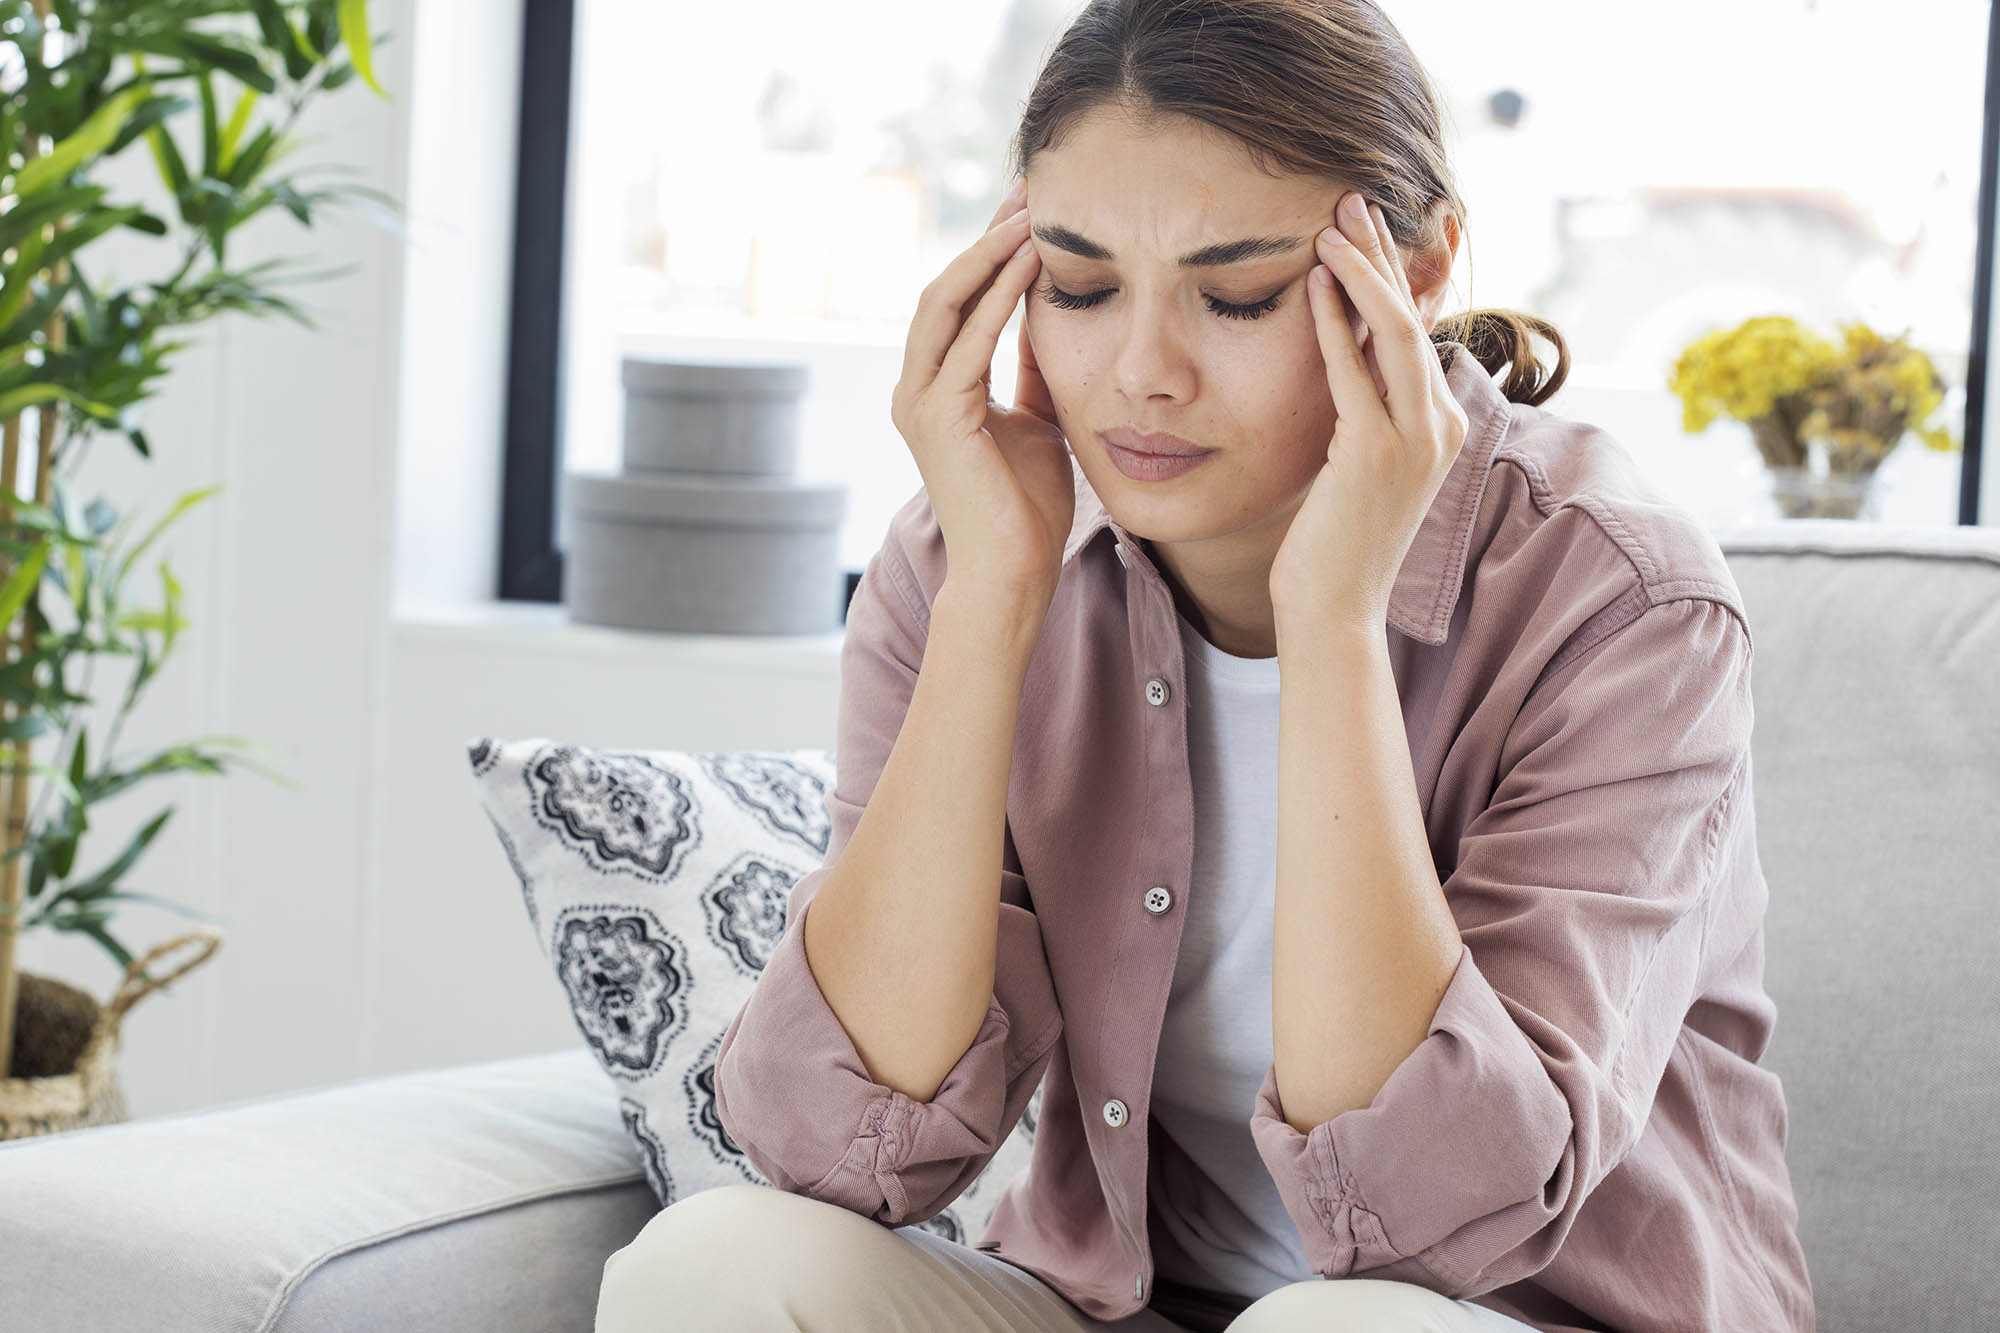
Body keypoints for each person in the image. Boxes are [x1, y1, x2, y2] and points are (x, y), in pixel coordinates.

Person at [596, 1, 1816, 1329]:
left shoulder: (1622, 605)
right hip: (1136, 1306)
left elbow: (1428, 1213)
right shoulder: (970, 557)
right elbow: (838, 1147)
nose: (1138, 373)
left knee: (1336, 1325)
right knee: (715, 1261)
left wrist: (1336, 620)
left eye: (1234, 294)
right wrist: (991, 600)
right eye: (1078, 284)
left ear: (1414, 275)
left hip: (1492, 1314)